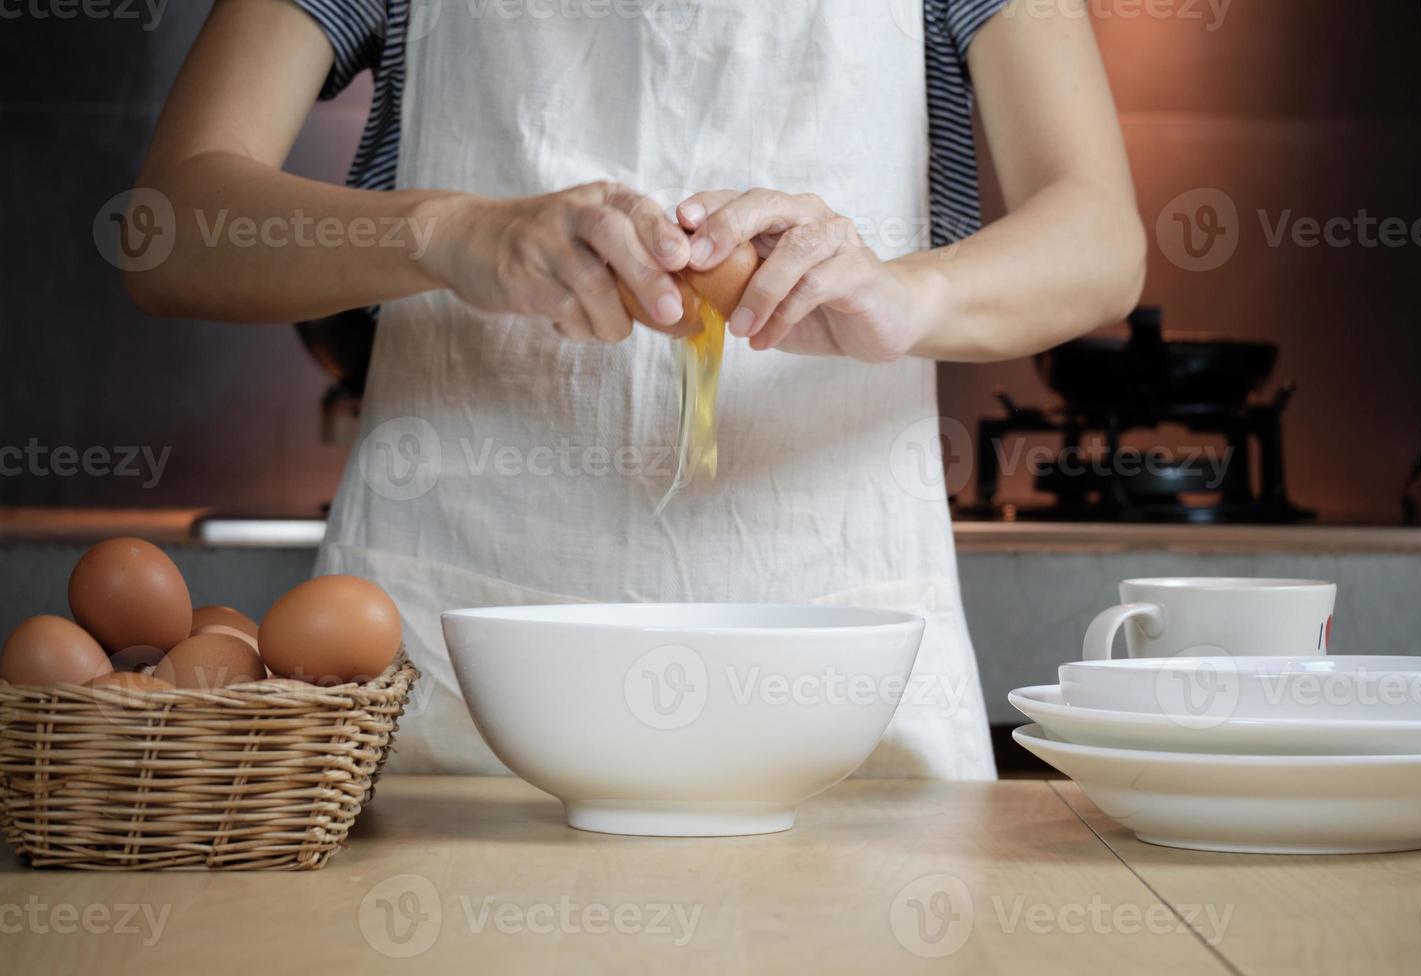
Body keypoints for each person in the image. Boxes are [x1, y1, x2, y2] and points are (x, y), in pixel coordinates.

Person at [127, 0, 1144, 778]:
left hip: (838, 678)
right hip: (459, 680)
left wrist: (904, 293)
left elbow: (1099, 232)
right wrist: (446, 231)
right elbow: (166, 227)